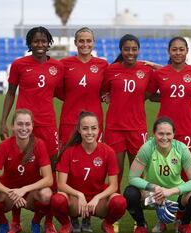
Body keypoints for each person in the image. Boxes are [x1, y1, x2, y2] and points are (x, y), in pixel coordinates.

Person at [0, 26, 64, 233]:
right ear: (29, 43)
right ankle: (16, 221)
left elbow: (64, 93)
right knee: (20, 169)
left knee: (51, 171)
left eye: (43, 41)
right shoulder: (19, 65)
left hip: (48, 125)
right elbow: (10, 93)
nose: (40, 45)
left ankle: (46, 221)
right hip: (24, 126)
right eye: (35, 41)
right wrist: (3, 122)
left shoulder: (57, 66)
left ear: (49, 43)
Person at [56, 27, 108, 232]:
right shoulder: (64, 64)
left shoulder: (102, 65)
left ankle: (87, 216)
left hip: (94, 125)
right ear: (75, 43)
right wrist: (73, 104)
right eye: (81, 41)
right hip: (69, 122)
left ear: (94, 43)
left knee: (92, 166)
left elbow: (106, 90)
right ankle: (72, 217)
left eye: (89, 41)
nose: (85, 44)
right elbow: (60, 91)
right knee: (69, 167)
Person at [124, 117, 191, 233]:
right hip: (152, 196)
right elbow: (132, 178)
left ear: (174, 134)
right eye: (160, 133)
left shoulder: (181, 148)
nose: (164, 138)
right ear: (154, 133)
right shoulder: (147, 148)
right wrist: (155, 188)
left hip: (175, 196)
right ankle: (141, 225)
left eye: (168, 134)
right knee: (130, 193)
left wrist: (171, 191)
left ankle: (183, 224)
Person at [51, 111, 127, 233]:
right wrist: (79, 195)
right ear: (79, 130)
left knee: (120, 202)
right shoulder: (69, 152)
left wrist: (97, 197)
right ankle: (68, 224)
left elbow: (114, 185)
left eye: (93, 128)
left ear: (99, 130)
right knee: (57, 200)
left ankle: (107, 224)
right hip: (75, 200)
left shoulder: (108, 152)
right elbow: (61, 184)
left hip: (97, 200)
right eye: (85, 128)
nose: (90, 132)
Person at [0, 109, 53, 233]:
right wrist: (11, 192)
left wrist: (24, 190)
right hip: (9, 193)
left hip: (30, 194)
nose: (24, 128)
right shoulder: (4, 145)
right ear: (13, 126)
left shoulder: (39, 144)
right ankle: (4, 224)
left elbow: (49, 179)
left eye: (27, 124)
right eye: (20, 124)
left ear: (32, 126)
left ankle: (36, 222)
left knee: (47, 194)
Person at [102, 34, 154, 191]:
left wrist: (133, 98)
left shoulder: (146, 70)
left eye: (134, 49)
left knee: (137, 173)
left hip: (136, 128)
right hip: (114, 128)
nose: (130, 53)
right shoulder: (111, 70)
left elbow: (148, 94)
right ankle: (114, 202)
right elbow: (104, 92)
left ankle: (136, 204)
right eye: (126, 49)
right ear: (121, 50)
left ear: (138, 50)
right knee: (115, 172)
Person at [146, 36, 191, 155]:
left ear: (187, 50)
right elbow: (150, 96)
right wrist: (167, 98)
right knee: (163, 167)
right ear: (169, 51)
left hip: (187, 127)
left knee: (185, 168)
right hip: (164, 128)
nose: (178, 53)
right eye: (174, 49)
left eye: (181, 49)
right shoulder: (159, 73)